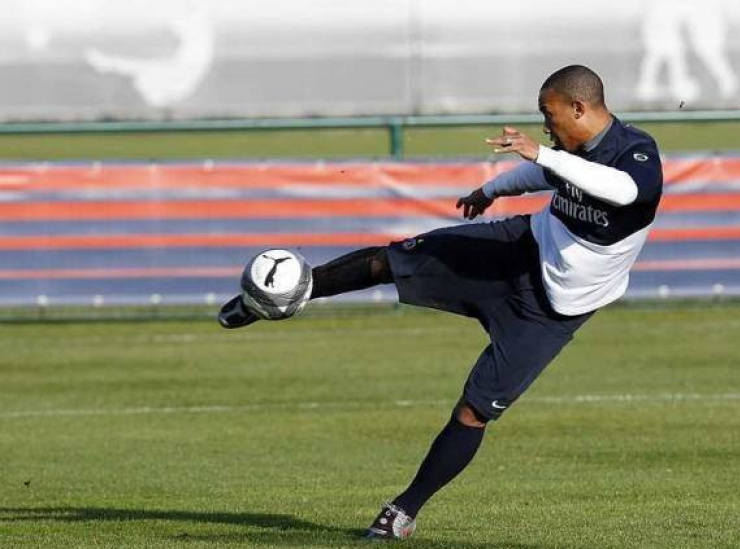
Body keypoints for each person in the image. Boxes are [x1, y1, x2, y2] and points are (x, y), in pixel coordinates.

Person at [219, 65, 663, 540]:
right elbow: (541, 173)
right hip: (519, 248)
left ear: (580, 108)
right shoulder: (566, 152)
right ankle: (280, 296)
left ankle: (403, 511)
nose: (545, 127)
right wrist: (489, 191)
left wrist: (542, 154)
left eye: (549, 116)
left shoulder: (636, 152)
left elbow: (623, 191)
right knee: (391, 259)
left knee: (474, 412)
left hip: (552, 310)